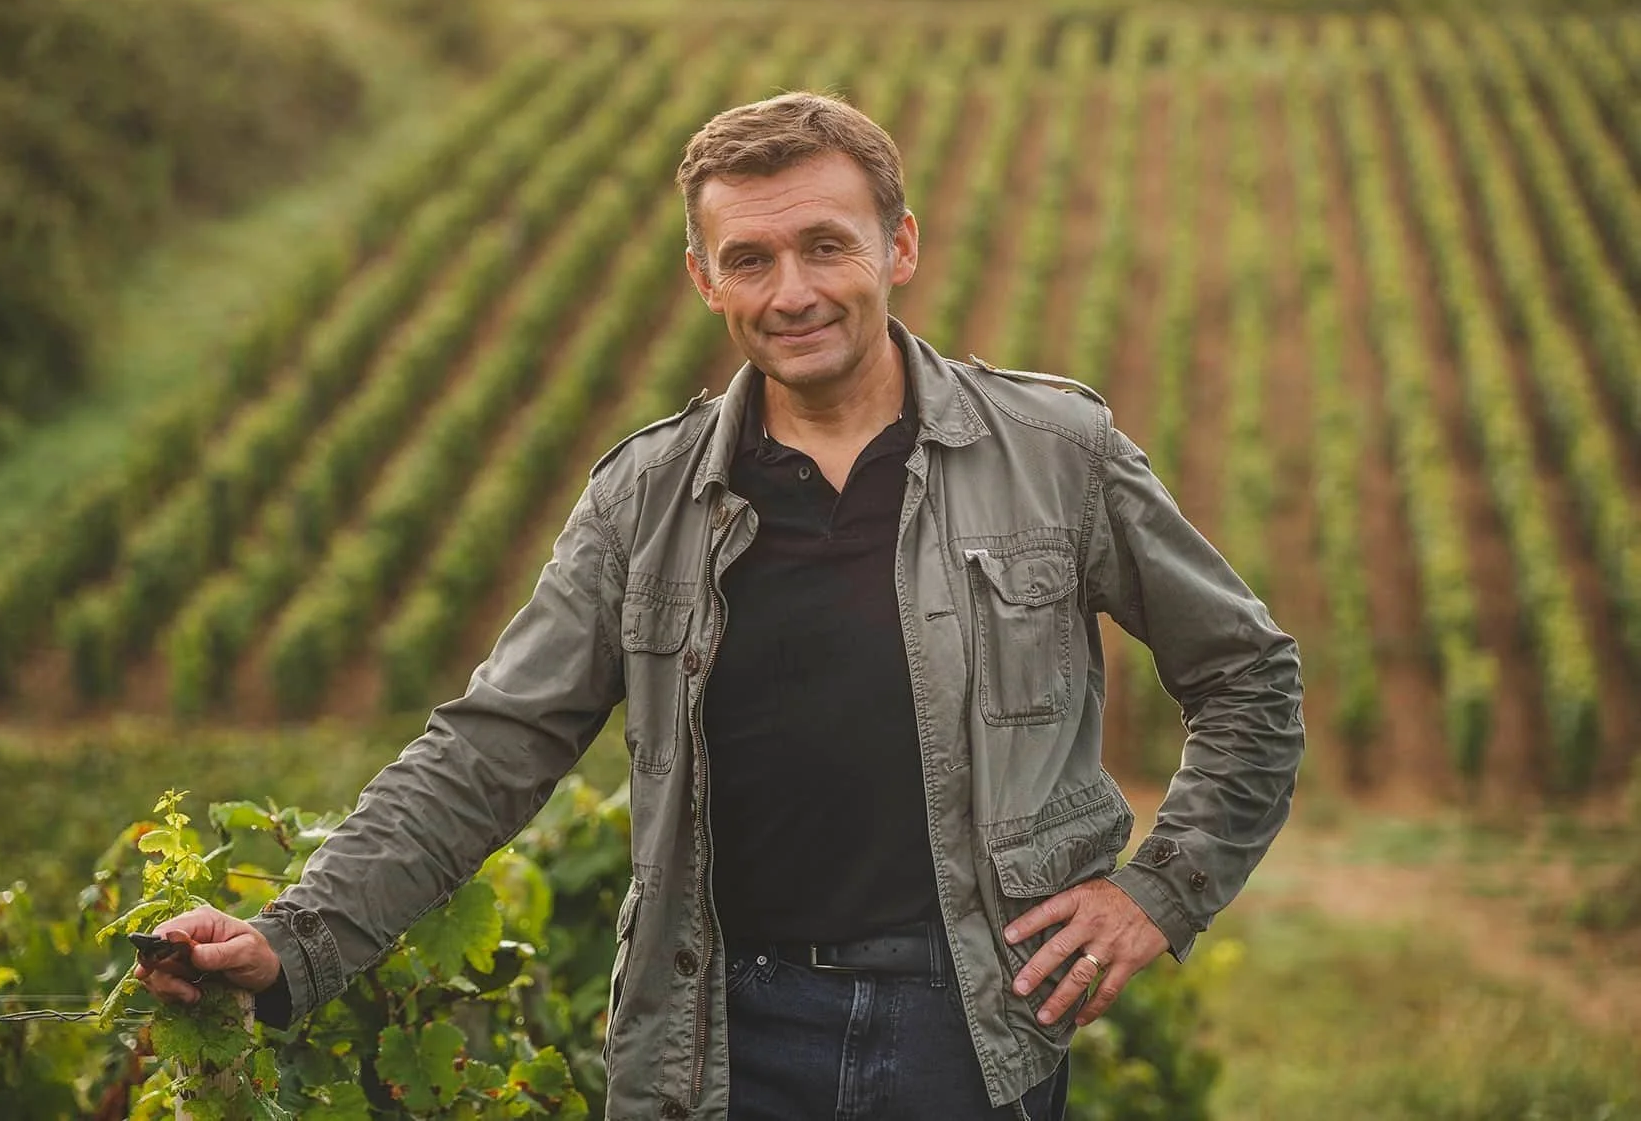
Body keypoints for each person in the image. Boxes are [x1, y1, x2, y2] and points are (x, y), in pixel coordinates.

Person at [139, 92, 1305, 1120]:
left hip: (968, 1028)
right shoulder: (641, 499)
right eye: (748, 258)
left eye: (823, 245)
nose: (790, 291)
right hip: (717, 1038)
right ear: (704, 278)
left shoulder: (1055, 453)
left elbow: (1247, 675)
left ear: (897, 247)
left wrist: (1158, 890)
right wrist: (296, 933)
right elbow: (488, 748)